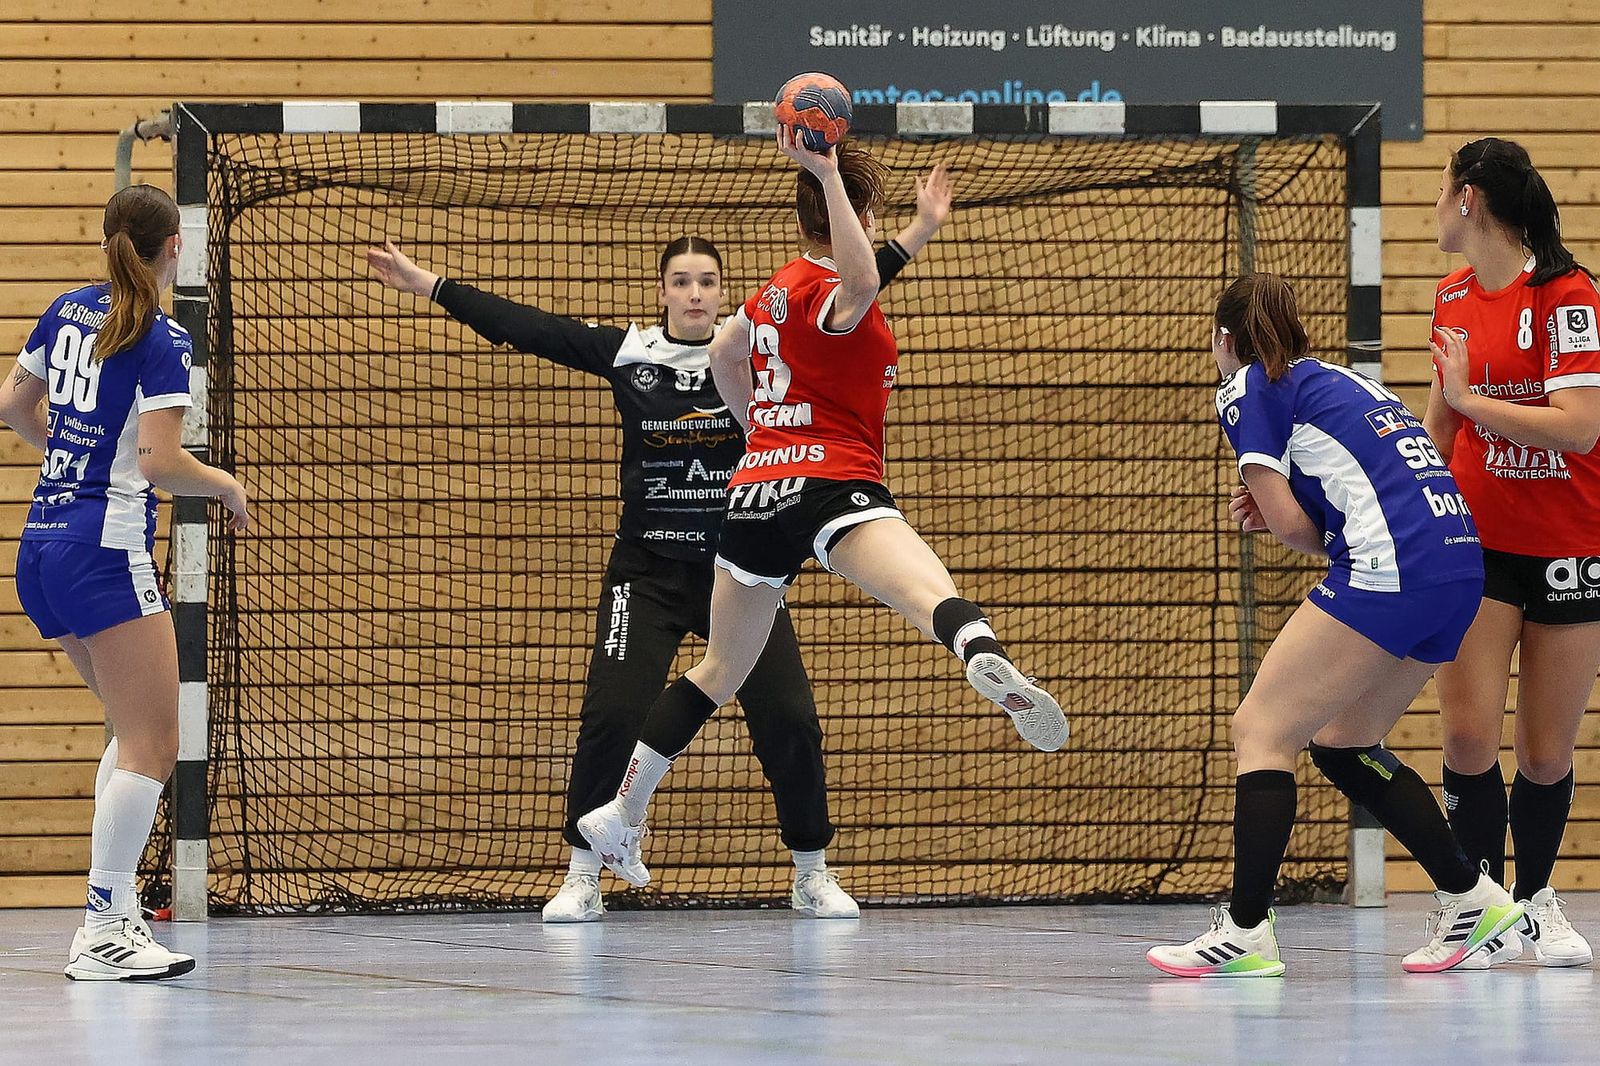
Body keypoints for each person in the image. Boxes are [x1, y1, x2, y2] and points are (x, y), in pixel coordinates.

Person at [365, 168, 954, 921]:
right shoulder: (630, 355)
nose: (697, 293)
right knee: (611, 713)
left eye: (709, 281)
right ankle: (583, 872)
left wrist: (920, 229)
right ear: (664, 293)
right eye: (682, 282)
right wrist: (430, 285)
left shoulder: (762, 351)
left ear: (722, 292)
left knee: (791, 718)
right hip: (645, 572)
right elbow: (532, 328)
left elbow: (858, 285)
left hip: (739, 567)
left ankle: (811, 869)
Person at [576, 129, 1068, 892]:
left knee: (718, 670)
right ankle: (978, 651)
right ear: (855, 217)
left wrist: (757, 432)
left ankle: (622, 812)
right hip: (834, 483)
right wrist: (834, 174)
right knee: (925, 591)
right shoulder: (841, 292)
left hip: (752, 496)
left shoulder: (772, 291)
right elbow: (863, 282)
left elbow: (723, 354)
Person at [1146, 272, 1521, 978]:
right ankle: (1472, 895)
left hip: (1392, 568)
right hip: (1459, 565)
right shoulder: (1345, 381)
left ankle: (1248, 930)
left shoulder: (1245, 388)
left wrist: (1296, 519)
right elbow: (1377, 478)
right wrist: (1316, 514)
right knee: (1343, 741)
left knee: (1260, 728)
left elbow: (1291, 526)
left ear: (1224, 340)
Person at [0, 184, 250, 980]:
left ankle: (114, 913)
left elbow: (13, 405)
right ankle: (104, 928)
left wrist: (63, 461)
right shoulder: (162, 337)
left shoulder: (68, 308)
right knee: (156, 741)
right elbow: (158, 463)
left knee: (127, 729)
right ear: (174, 246)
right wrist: (227, 486)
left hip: (42, 543)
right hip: (105, 548)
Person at [1424, 136, 1600, 967]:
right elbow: (1441, 425)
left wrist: (1472, 398)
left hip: (1569, 544)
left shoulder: (1568, 295)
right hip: (1479, 541)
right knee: (1466, 740)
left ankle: (1536, 901)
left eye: (1442, 190)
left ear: (1471, 200)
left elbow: (1578, 427)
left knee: (1543, 752)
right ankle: (1481, 904)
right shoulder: (1452, 297)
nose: (1434, 205)